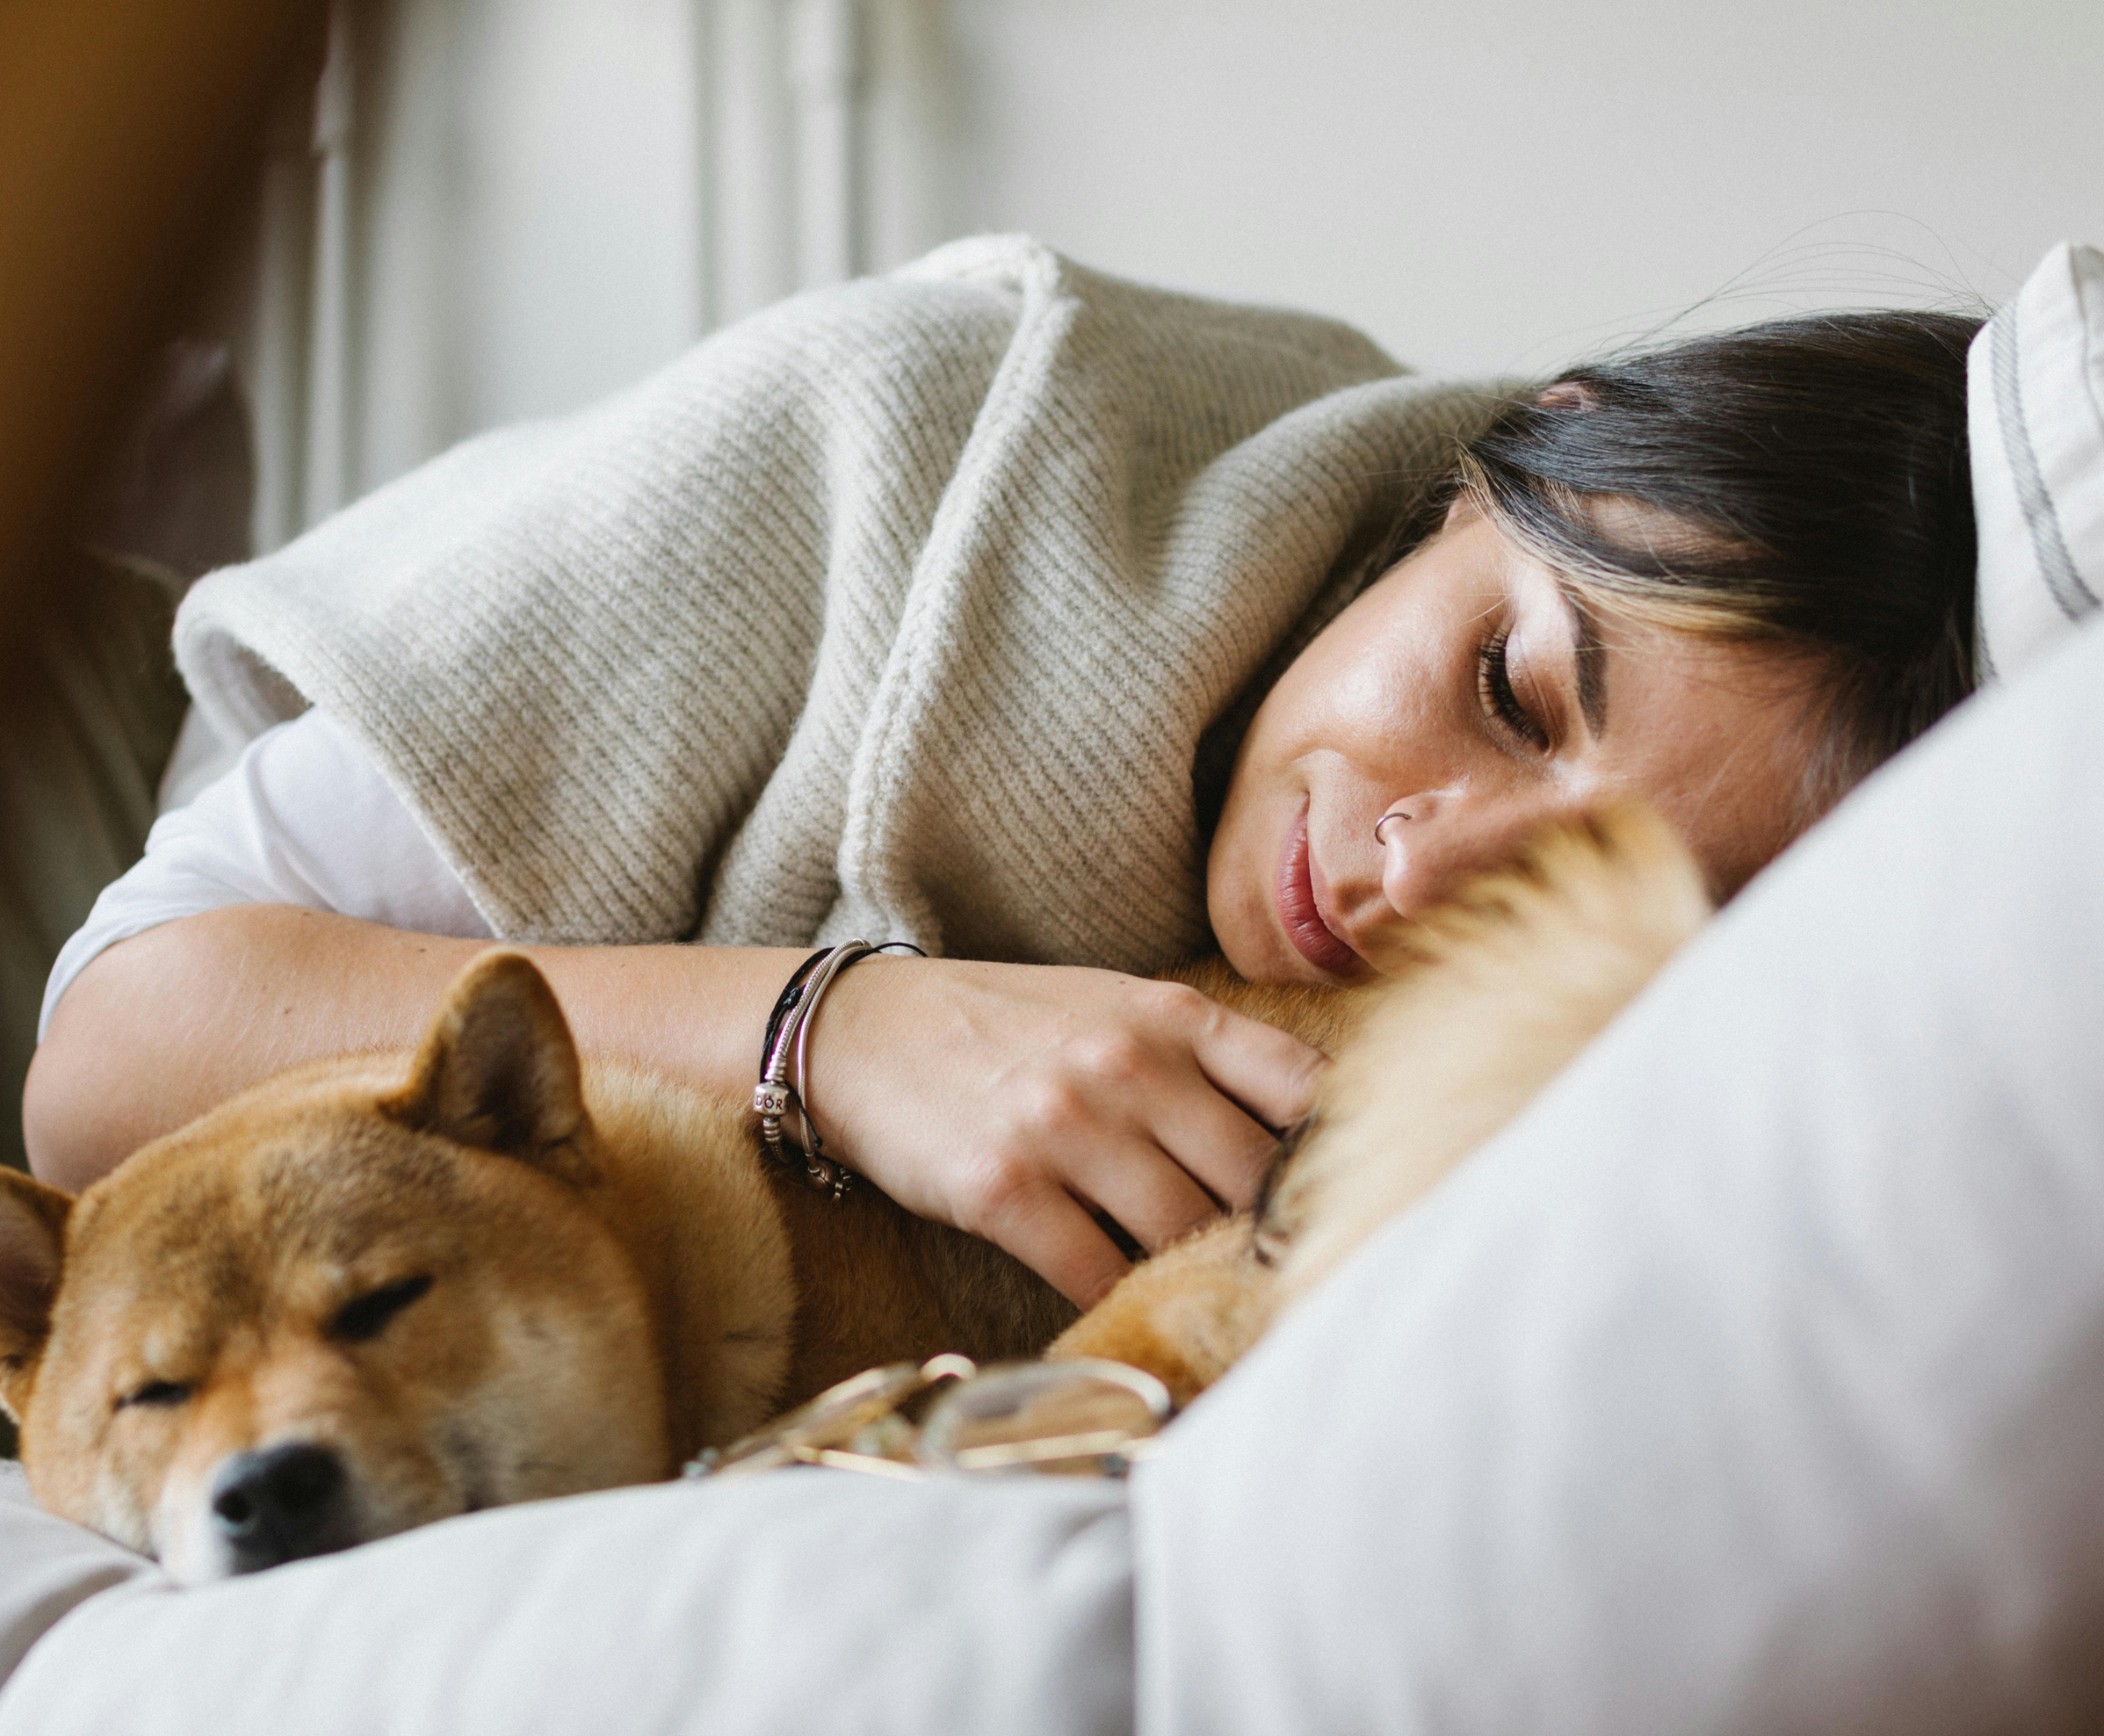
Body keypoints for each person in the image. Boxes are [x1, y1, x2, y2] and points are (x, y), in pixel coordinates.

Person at [23, 247, 1982, 1310]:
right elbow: (112, 1059)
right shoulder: (918, 427)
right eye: (1510, 688)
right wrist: (838, 1030)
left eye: (1584, 890)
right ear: (1524, 446)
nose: (1417, 873)